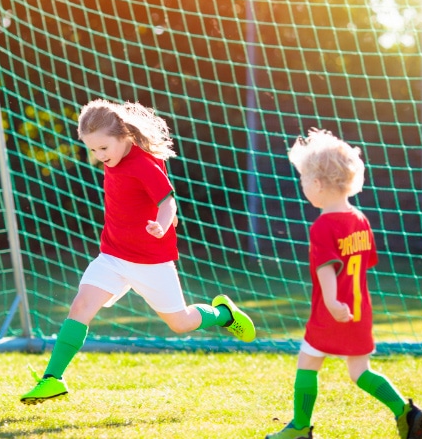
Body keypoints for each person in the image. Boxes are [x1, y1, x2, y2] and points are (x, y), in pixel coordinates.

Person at [20, 99, 256, 405]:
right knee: (80, 307)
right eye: (93, 150)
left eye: (104, 148)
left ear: (124, 137)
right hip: (113, 256)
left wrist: (161, 224)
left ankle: (223, 314)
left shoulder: (143, 164)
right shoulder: (112, 158)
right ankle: (53, 379)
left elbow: (168, 201)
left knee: (180, 322)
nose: (99, 156)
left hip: (151, 261)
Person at [263, 128, 422, 439]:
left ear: (318, 184)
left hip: (333, 311)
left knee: (308, 361)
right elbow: (362, 264)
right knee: (360, 372)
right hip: (359, 309)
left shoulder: (324, 225)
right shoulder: (360, 219)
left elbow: (327, 269)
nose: (303, 187)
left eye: (303, 180)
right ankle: (405, 413)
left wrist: (331, 302)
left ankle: (299, 428)